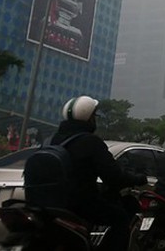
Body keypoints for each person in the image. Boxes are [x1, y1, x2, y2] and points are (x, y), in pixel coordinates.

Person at [48, 96, 147, 251]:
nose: (95, 120)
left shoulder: (54, 139)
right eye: (94, 116)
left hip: (51, 202)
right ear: (88, 118)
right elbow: (114, 176)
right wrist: (138, 178)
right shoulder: (91, 142)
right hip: (79, 203)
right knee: (120, 218)